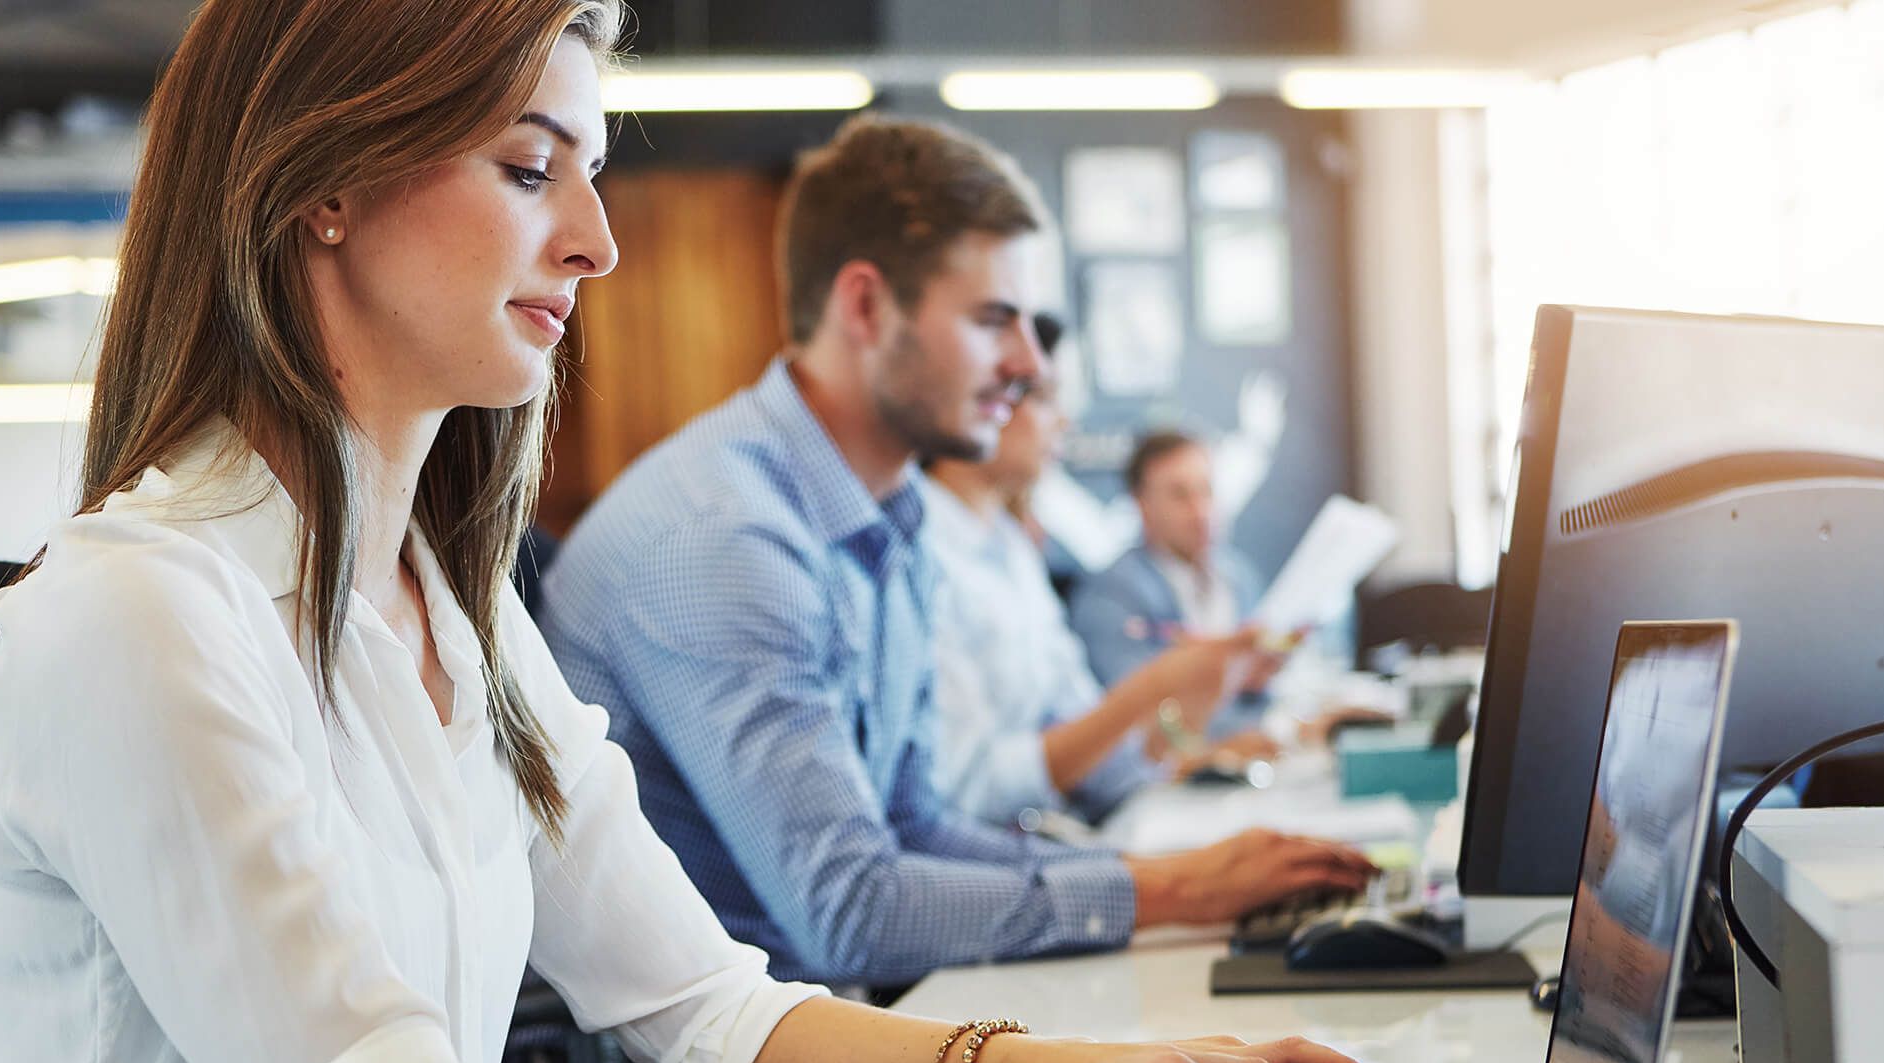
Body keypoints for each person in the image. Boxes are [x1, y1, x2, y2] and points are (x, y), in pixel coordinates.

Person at [0, 3, 1407, 1063]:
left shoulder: (460, 612)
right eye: (526, 168)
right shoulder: (142, 620)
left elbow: (719, 1020)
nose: (597, 241)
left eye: (593, 173)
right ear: (325, 184)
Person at [539, 113, 1376, 997]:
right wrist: (1167, 889)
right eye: (993, 320)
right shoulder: (727, 539)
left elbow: (915, 825)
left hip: (823, 1021)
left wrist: (1156, 876)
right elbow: (851, 910)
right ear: (866, 306)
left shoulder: (886, 514)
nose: (1025, 363)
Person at [919, 313, 1254, 827]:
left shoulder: (1011, 550)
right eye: (1047, 397)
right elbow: (971, 789)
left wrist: (1192, 750)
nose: (1065, 422)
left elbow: (1084, 724)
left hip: (1077, 827)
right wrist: (1153, 690)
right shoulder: (925, 555)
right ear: (986, 400)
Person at [1070, 429, 1287, 755]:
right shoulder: (1109, 595)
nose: (1201, 512)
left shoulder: (1239, 577)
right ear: (1141, 505)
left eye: (1207, 491)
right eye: (1180, 495)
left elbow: (1259, 694)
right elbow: (1137, 715)